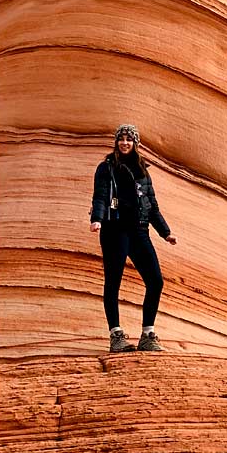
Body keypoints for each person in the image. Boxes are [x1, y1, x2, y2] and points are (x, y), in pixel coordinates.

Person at [89, 124, 178, 353]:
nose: (125, 142)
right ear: (116, 142)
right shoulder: (106, 168)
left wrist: (165, 231)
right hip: (114, 229)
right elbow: (99, 196)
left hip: (139, 230)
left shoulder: (142, 171)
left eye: (129, 139)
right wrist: (97, 219)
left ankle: (147, 335)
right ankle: (116, 336)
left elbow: (151, 205)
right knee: (113, 282)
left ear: (135, 143)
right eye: (121, 139)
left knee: (155, 280)